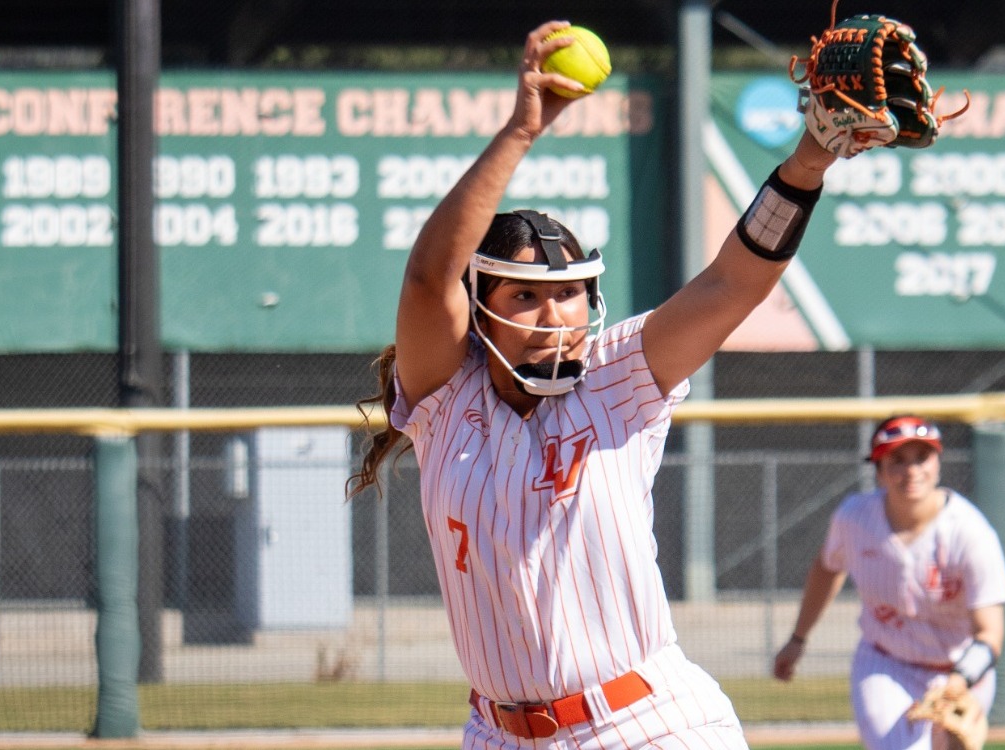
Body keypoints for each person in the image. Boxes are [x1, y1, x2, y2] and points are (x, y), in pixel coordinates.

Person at [349, 18, 857, 750]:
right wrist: (522, 130)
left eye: (569, 294)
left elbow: (731, 284)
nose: (555, 314)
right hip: (498, 733)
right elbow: (430, 278)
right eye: (524, 295)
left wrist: (807, 164)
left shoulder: (617, 375)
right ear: (480, 309)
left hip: (645, 724)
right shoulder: (446, 400)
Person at [771, 415, 1005, 750]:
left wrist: (959, 681)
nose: (912, 470)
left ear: (938, 462)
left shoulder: (970, 533)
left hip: (960, 669)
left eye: (922, 457)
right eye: (897, 460)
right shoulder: (855, 518)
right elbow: (827, 568)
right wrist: (798, 638)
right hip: (886, 662)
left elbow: (990, 633)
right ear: (879, 469)